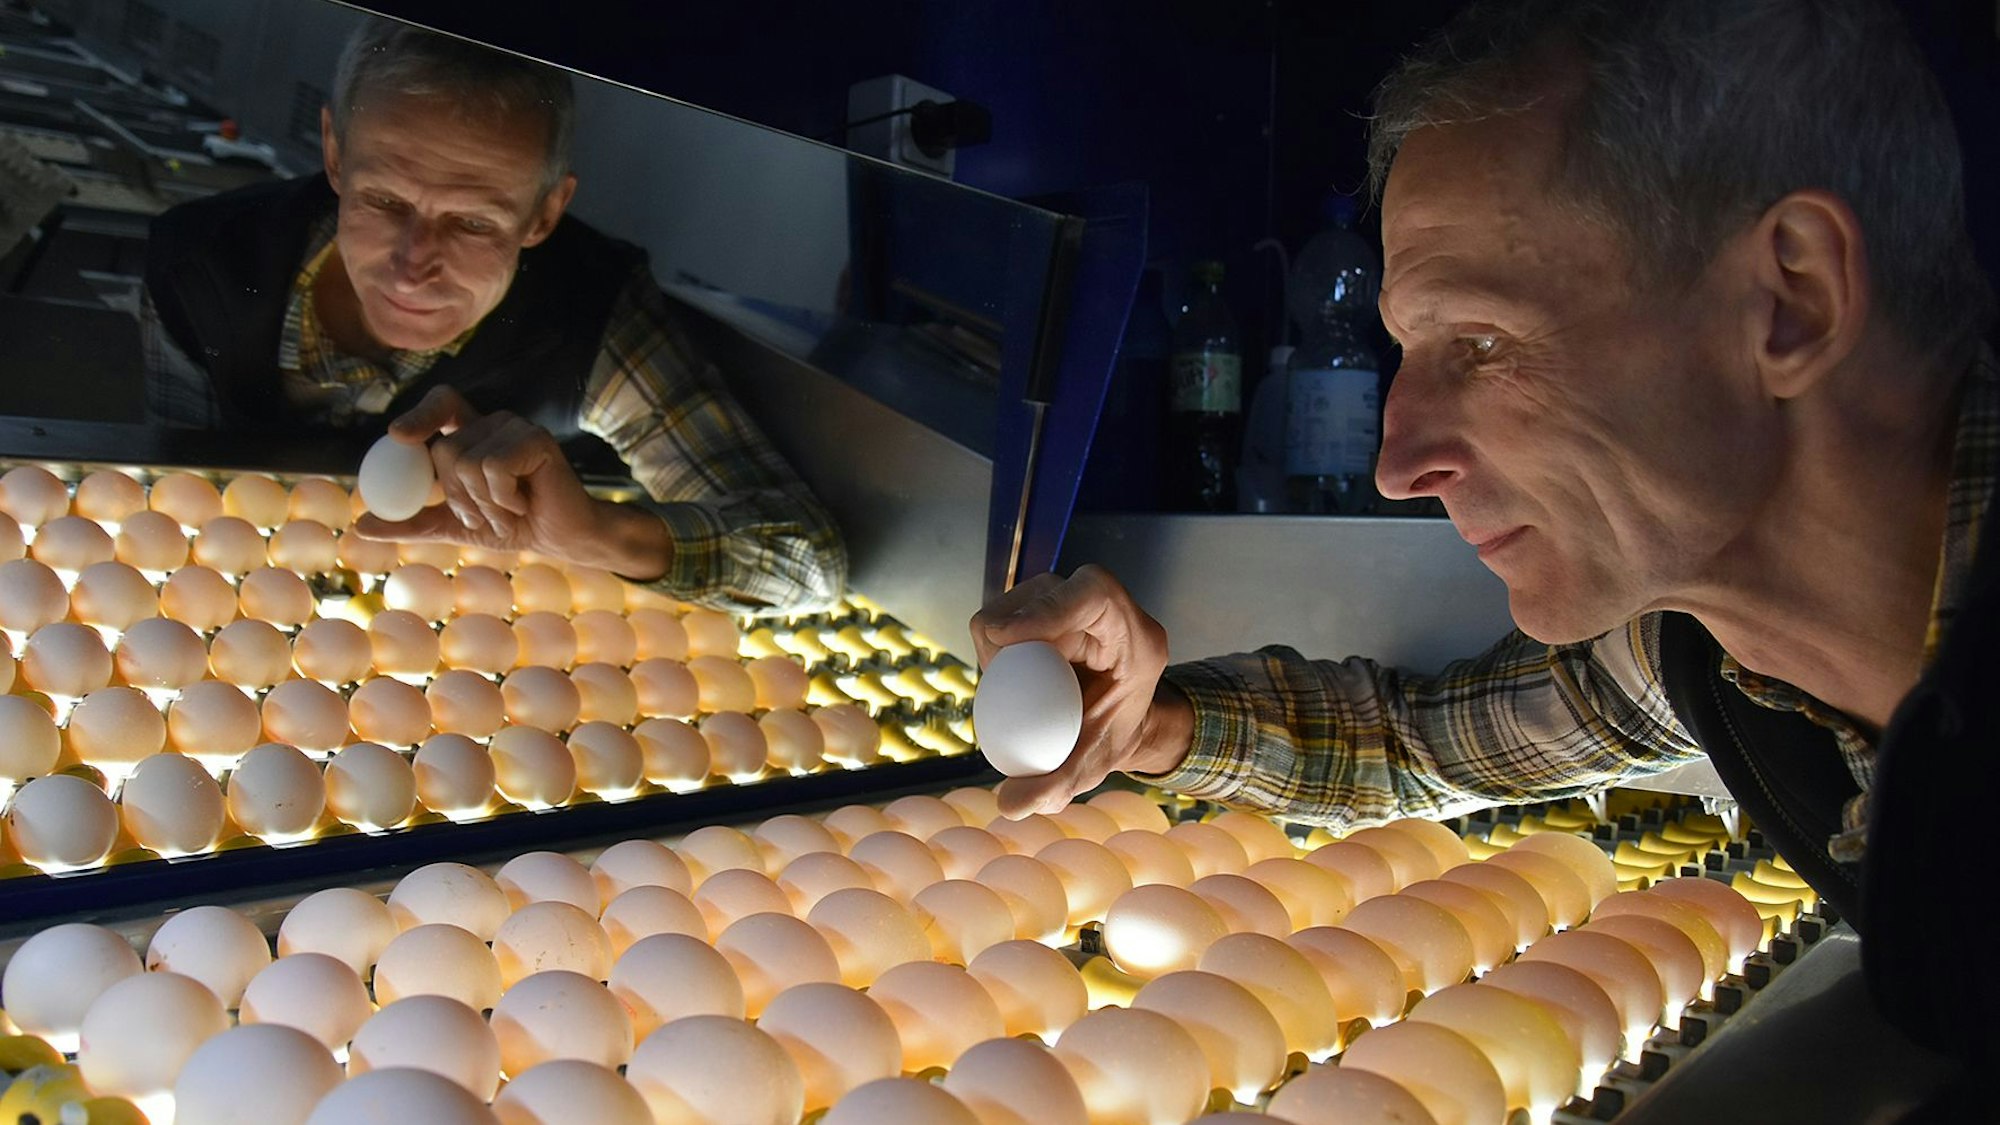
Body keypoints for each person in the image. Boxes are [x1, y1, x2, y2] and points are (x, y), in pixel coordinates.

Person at [973, 0, 1995, 1069]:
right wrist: (1148, 723)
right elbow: (1417, 743)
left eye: (1480, 340)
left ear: (1789, 299)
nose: (1396, 464)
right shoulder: (1711, 646)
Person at [139, 21, 845, 615]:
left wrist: (596, 533)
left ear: (544, 214)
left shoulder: (593, 315)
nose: (415, 263)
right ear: (332, 153)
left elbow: (807, 561)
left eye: (473, 222)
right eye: (385, 200)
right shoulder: (201, 271)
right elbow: (176, 512)